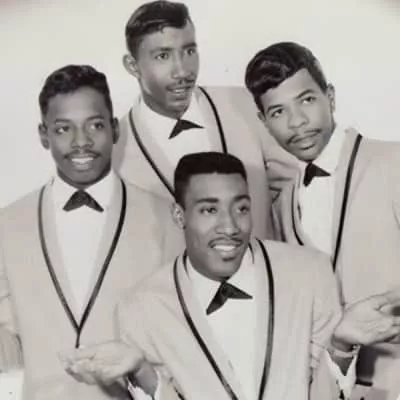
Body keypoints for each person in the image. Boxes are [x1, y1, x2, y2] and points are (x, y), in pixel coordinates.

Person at [63, 152, 400, 400]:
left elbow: (325, 395)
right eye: (210, 210)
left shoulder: (310, 273)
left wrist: (341, 345)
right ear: (179, 216)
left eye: (241, 208)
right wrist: (141, 371)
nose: (230, 226)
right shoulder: (139, 310)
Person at [0, 65, 183, 400]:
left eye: (95, 125)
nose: (81, 142)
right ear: (43, 135)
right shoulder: (7, 224)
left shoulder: (166, 218)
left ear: (115, 128)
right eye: (63, 129)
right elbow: (7, 346)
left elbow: (182, 342)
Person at [245, 41, 400, 399]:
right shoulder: (281, 207)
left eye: (306, 100)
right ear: (263, 122)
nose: (297, 122)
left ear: (330, 97)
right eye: (278, 111)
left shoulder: (392, 163)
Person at [112, 0, 295, 240]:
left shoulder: (245, 105)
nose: (182, 71)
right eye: (163, 56)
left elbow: (297, 191)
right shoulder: (116, 151)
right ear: (132, 66)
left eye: (189, 51)